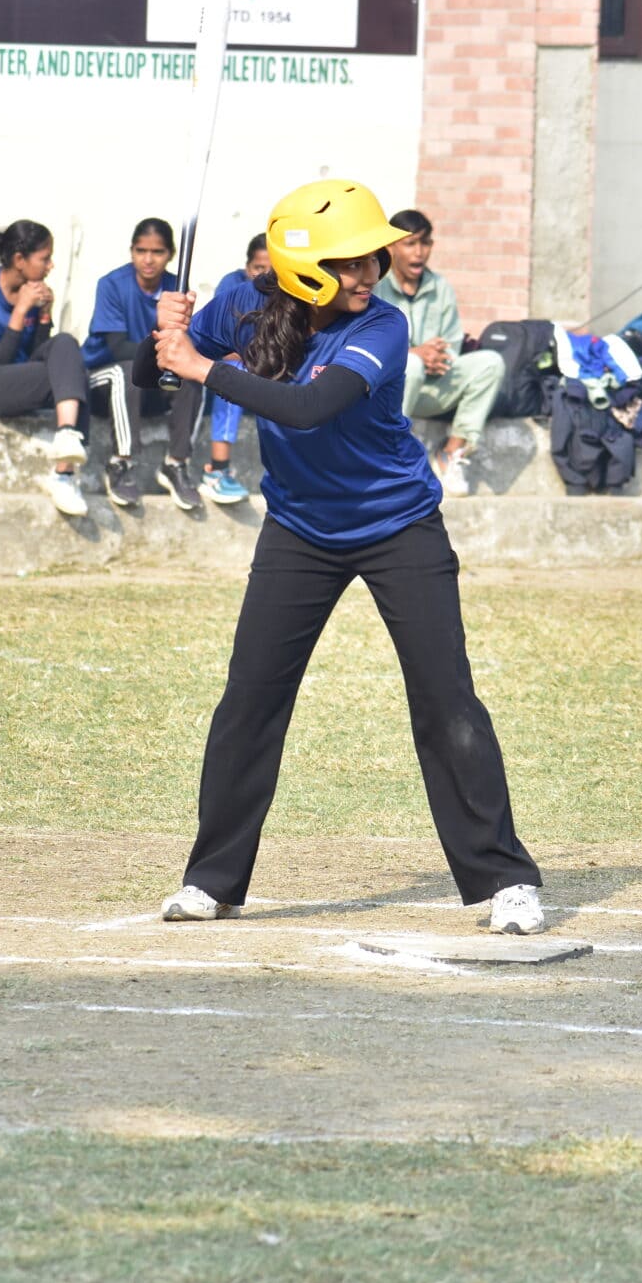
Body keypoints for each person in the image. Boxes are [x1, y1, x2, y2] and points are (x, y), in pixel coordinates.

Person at [138, 179, 546, 936]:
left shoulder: (383, 327)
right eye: (349, 262)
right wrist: (162, 333)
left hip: (398, 525)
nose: (368, 274)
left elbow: (307, 408)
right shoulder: (244, 304)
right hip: (299, 529)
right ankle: (212, 880)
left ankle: (506, 879)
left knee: (446, 699)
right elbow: (151, 372)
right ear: (303, 269)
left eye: (371, 259)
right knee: (250, 699)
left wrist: (201, 366)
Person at [0, 220, 99, 517]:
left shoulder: (33, 292)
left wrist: (44, 316)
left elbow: (35, 355)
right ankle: (64, 474)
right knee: (75, 374)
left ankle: (66, 442)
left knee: (66, 344)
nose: (51, 266)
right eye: (44, 259)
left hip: (20, 377)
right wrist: (20, 310)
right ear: (20, 260)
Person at [372, 208, 505, 497]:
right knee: (411, 364)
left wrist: (437, 360)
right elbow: (370, 347)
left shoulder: (440, 287)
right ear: (391, 247)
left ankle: (450, 453)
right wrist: (414, 354)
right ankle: (387, 456)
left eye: (425, 243)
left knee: (490, 362)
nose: (419, 252)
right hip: (388, 391)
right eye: (410, 243)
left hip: (433, 387)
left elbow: (452, 345)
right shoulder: (376, 287)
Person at [81, 218, 203, 510]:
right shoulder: (112, 285)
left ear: (170, 254)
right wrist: (165, 348)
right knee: (126, 370)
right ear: (132, 251)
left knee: (194, 375)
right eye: (141, 251)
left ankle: (176, 463)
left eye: (157, 252)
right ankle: (121, 463)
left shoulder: (176, 287)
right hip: (103, 380)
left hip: (149, 381)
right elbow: (117, 347)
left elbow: (182, 342)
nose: (148, 260)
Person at [198, 233, 271, 506]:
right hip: (238, 365)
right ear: (247, 267)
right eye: (258, 268)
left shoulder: (287, 291)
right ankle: (217, 470)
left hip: (269, 371)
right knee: (234, 371)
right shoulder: (233, 286)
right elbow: (219, 343)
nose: (264, 275)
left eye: (271, 269)